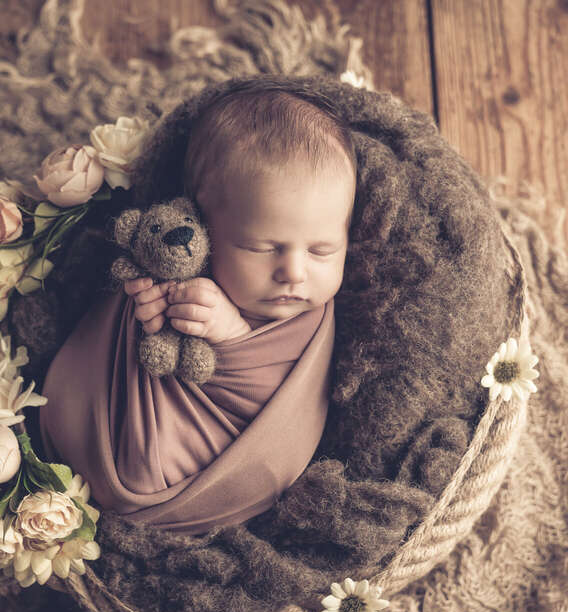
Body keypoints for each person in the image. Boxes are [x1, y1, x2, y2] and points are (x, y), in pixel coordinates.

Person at [38, 88, 356, 533]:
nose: (294, 272)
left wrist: (231, 337)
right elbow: (122, 330)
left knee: (144, 469)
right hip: (119, 434)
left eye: (322, 250)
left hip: (224, 472)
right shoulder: (177, 258)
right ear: (203, 224)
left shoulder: (313, 319)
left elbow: (289, 404)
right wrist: (149, 313)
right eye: (262, 248)